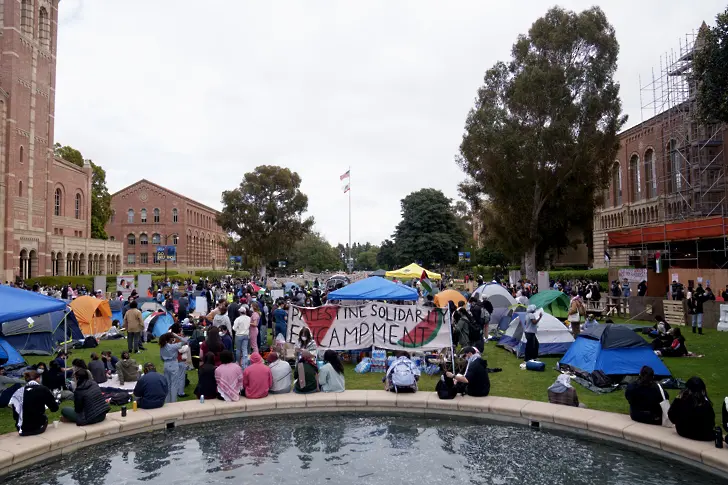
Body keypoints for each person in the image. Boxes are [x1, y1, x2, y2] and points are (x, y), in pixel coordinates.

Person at [10, 370, 59, 436]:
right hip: (37, 428)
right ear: (38, 378)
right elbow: (54, 409)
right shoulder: (43, 389)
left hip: (21, 430)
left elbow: (15, 414)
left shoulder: (18, 392)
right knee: (44, 417)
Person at [668, 377, 715, 441]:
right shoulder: (705, 404)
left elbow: (671, 416)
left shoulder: (679, 399)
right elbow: (711, 423)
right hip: (702, 435)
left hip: (682, 431)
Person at [159, 332, 189, 403]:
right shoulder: (172, 346)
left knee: (168, 384)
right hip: (173, 364)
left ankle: (167, 401)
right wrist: (177, 336)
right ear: (170, 339)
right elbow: (185, 341)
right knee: (174, 384)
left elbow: (161, 358)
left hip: (166, 364)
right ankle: (173, 401)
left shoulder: (162, 346)